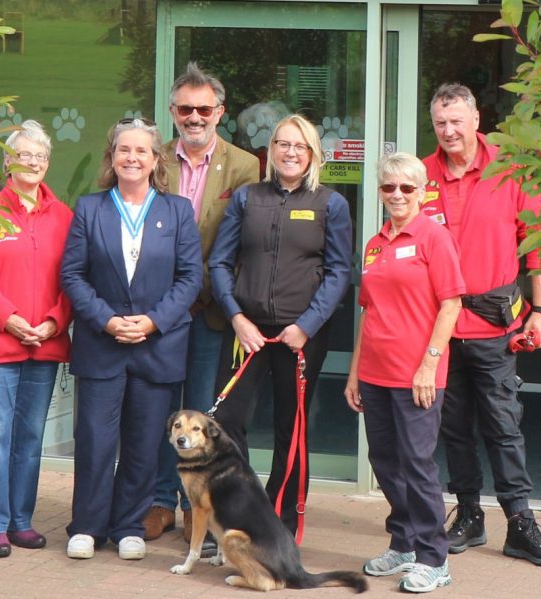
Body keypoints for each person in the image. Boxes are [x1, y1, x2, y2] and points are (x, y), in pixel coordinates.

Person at [423, 83, 541, 566]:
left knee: (504, 428)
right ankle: (467, 514)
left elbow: (540, 243)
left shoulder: (510, 170)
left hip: (497, 328)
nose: (449, 131)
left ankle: (520, 523)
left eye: (457, 121)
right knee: (455, 429)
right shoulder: (420, 177)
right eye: (441, 123)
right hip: (440, 330)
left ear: (476, 119)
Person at [60, 118, 202, 561]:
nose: (132, 158)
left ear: (156, 160)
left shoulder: (177, 211)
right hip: (102, 345)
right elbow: (73, 274)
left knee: (143, 443)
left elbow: (190, 277)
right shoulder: (90, 208)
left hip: (156, 346)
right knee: (95, 440)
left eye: (141, 151)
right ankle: (87, 526)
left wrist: (153, 321)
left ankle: (128, 526)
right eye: (124, 150)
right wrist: (106, 320)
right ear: (112, 157)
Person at [208, 114, 352, 536]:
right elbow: (219, 261)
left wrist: (306, 326)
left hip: (300, 338)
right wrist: (236, 317)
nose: (290, 153)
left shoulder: (331, 204)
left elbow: (339, 271)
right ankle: (241, 515)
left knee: (292, 429)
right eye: (282, 145)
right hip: (246, 333)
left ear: (312, 155)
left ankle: (280, 526)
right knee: (227, 422)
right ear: (270, 151)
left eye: (299, 146)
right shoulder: (247, 198)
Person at [144, 63, 259, 545]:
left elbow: (240, 243)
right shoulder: (153, 159)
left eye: (204, 109)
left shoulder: (245, 166)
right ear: (172, 112)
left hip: (211, 308)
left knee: (201, 412)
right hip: (159, 308)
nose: (195, 117)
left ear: (220, 112)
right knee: (159, 406)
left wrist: (210, 295)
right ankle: (157, 501)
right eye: (186, 109)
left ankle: (198, 505)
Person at [344, 152, 464, 593]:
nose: (397, 195)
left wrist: (429, 364)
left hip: (417, 374)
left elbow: (451, 303)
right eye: (388, 187)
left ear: (421, 191)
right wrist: (354, 373)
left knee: (417, 464)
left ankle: (435, 558)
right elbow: (368, 313)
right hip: (374, 373)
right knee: (385, 461)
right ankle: (405, 541)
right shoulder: (375, 242)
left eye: (406, 188)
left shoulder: (434, 237)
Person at [0, 120, 73, 558]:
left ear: (47, 163)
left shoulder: (64, 216)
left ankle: (20, 521)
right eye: (23, 155)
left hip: (44, 343)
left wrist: (53, 321)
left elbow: (72, 278)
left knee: (28, 436)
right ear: (7, 161)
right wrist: (8, 319)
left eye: (40, 156)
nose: (32, 162)